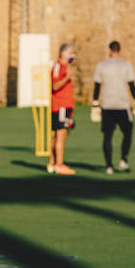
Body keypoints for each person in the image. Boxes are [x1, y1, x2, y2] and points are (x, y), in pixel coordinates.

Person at [92, 40, 135, 175]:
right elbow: (131, 85)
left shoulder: (101, 65)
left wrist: (95, 104)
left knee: (108, 135)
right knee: (128, 132)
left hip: (107, 105)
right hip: (122, 105)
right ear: (119, 50)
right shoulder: (126, 65)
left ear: (109, 50)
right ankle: (123, 159)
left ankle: (108, 166)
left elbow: (97, 86)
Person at [48, 43, 77, 176]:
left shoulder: (65, 66)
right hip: (60, 105)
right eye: (71, 53)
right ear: (63, 53)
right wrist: (67, 76)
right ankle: (59, 165)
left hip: (65, 106)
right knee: (60, 134)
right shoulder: (58, 67)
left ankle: (53, 163)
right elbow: (54, 86)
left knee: (58, 135)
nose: (73, 55)